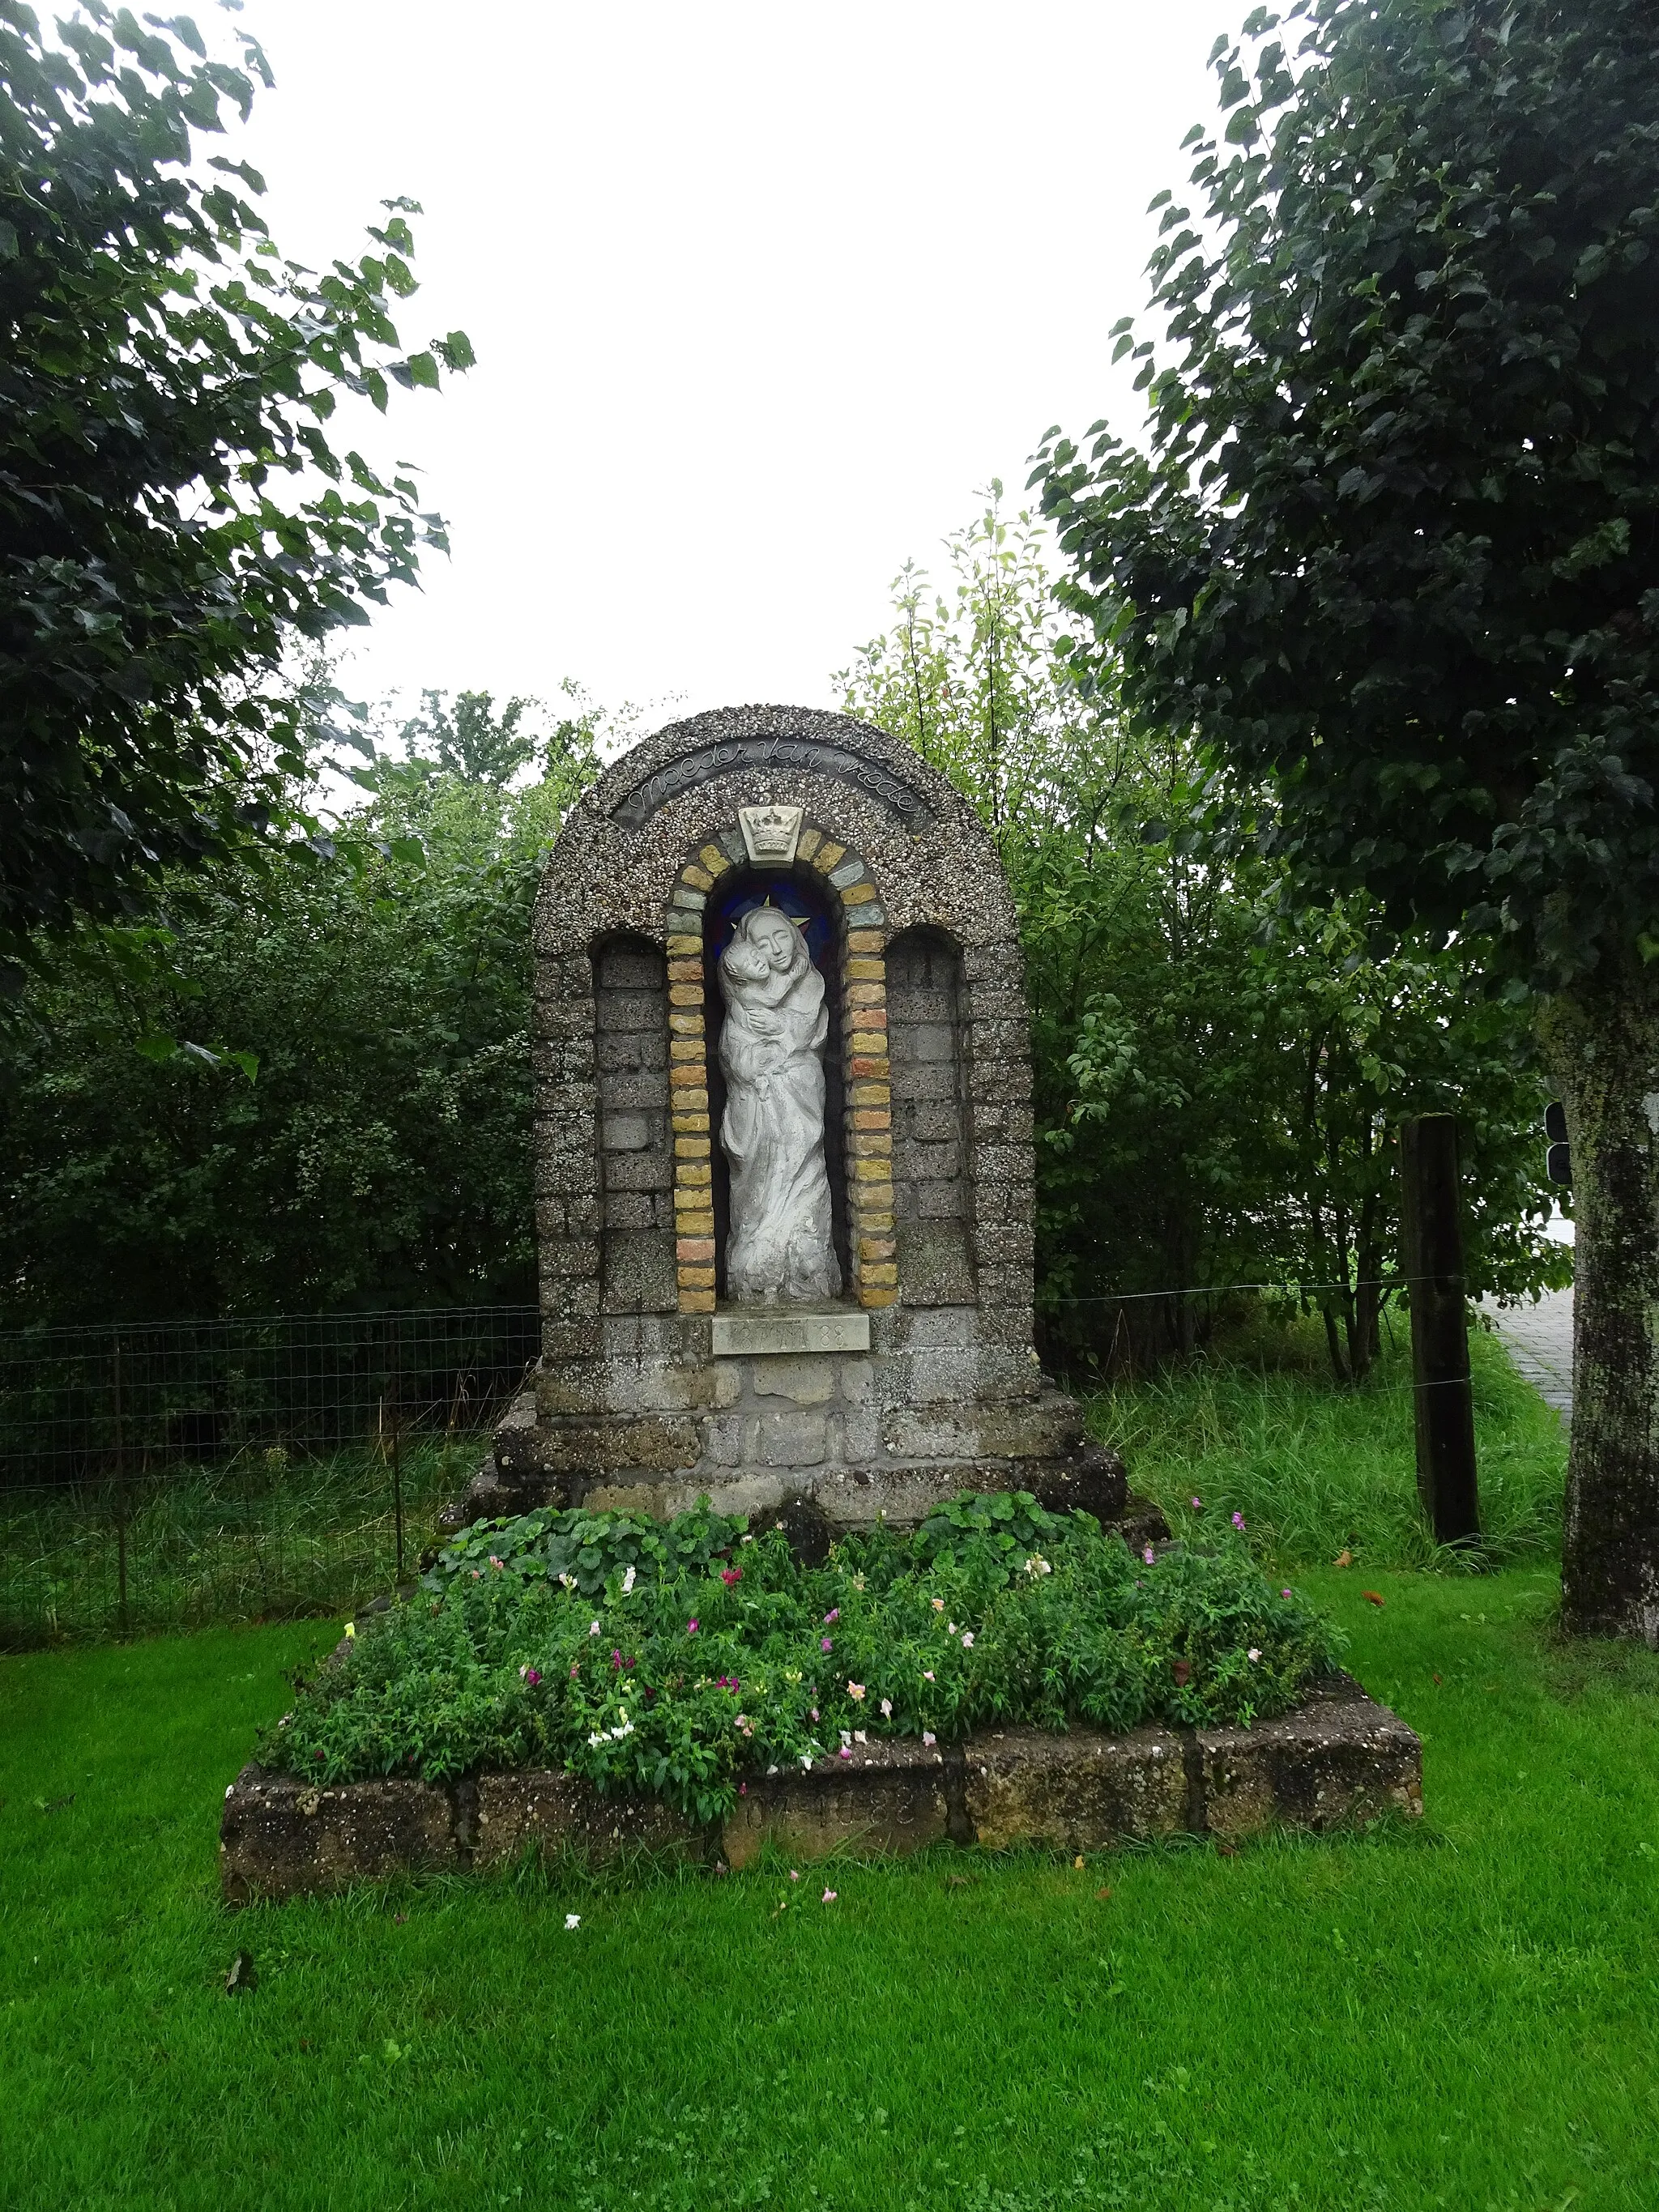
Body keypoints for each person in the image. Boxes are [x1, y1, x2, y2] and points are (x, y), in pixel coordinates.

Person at [717, 904, 841, 1302]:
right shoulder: (741, 997)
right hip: (758, 1099)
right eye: (763, 945)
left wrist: (783, 1033)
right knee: (756, 1174)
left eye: (782, 937)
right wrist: (752, 1061)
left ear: (796, 934)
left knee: (804, 1160)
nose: (776, 950)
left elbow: (813, 1032)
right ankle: (754, 1263)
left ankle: (809, 1265)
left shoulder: (811, 982)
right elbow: (733, 1046)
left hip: (800, 1090)